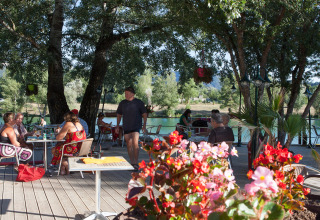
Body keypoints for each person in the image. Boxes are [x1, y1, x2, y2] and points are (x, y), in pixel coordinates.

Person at [116, 86, 147, 170]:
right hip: (126, 126)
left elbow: (144, 114)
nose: (125, 95)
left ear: (132, 94)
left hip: (136, 126)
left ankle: (136, 163)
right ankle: (132, 162)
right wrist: (117, 126)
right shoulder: (122, 103)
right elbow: (119, 115)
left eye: (127, 93)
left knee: (135, 144)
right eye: (125, 93)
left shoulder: (139, 103)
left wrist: (144, 125)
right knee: (129, 145)